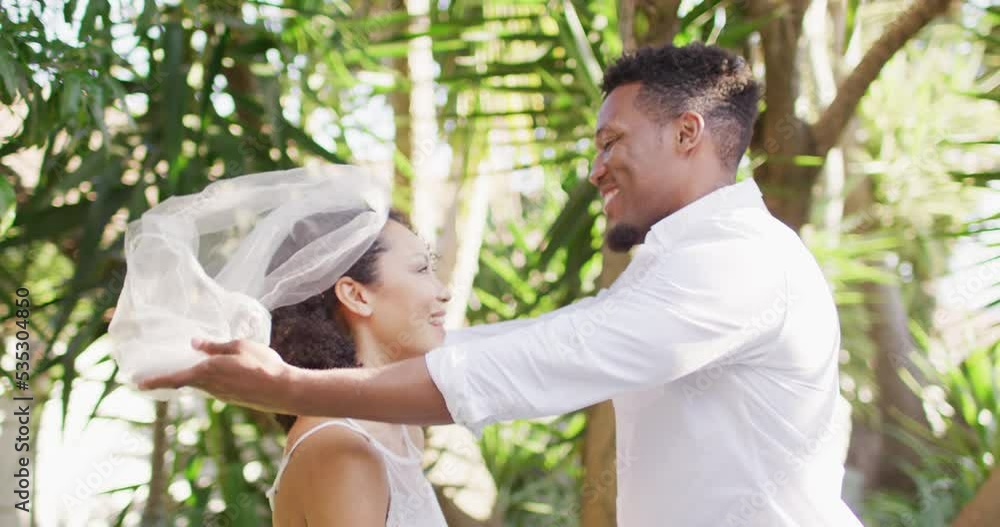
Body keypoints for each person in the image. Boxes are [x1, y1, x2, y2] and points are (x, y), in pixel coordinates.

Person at [140, 43, 863, 526]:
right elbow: (543, 346)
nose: (595, 169)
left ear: (687, 133)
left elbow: (547, 357)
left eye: (611, 142)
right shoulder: (679, 265)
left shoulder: (738, 262)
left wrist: (294, 386)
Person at [265, 210, 450, 526]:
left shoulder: (403, 430)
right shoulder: (341, 447)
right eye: (421, 269)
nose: (444, 292)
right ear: (356, 295)